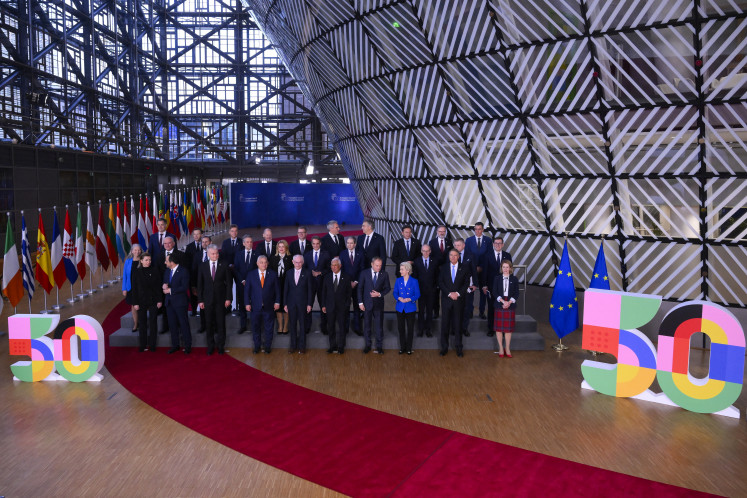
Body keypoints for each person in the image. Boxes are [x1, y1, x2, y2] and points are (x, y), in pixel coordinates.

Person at [197, 244, 233, 355]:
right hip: (207, 300)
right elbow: (200, 285)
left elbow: (229, 283)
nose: (215, 255)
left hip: (221, 300)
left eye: (217, 253)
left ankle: (221, 346)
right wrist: (200, 300)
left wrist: (228, 298)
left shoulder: (224, 265)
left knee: (221, 323)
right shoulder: (202, 266)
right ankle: (210, 346)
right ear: (208, 254)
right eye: (213, 253)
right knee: (209, 324)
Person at [244, 255, 280, 354]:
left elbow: (277, 290)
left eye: (265, 262)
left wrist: (277, 302)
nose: (264, 264)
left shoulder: (273, 274)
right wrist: (247, 303)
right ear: (257, 263)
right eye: (261, 262)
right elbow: (247, 291)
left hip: (269, 306)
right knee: (255, 327)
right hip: (255, 307)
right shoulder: (251, 274)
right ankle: (257, 346)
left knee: (269, 327)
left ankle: (268, 346)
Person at [439, 249, 469, 357]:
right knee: (445, 324)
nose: (452, 257)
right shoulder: (443, 268)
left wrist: (457, 293)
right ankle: (444, 348)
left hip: (458, 300)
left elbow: (466, 283)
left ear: (459, 256)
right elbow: (440, 282)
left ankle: (459, 348)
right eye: (451, 255)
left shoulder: (464, 268)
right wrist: (449, 293)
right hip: (447, 300)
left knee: (458, 325)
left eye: (455, 255)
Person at [358, 256, 391, 354]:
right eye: (377, 265)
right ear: (372, 264)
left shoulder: (384, 274)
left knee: (379, 327)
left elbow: (388, 288)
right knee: (367, 326)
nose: (379, 267)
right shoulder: (364, 273)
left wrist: (379, 294)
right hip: (366, 304)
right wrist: (360, 303)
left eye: (380, 265)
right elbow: (360, 289)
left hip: (378, 304)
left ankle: (379, 346)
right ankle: (368, 345)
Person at [481, 236, 512, 337]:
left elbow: (510, 271)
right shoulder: (487, 255)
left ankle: (502, 329)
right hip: (491, 287)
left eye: (499, 243)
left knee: (503, 308)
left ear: (502, 244)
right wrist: (484, 285)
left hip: (504, 287)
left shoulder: (507, 255)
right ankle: (491, 329)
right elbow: (484, 271)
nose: (498, 245)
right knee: (491, 308)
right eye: (496, 243)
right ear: (493, 244)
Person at [130, 253, 163, 352]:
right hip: (141, 301)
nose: (148, 262)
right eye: (146, 260)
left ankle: (152, 345)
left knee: (153, 323)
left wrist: (159, 300)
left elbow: (158, 287)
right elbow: (134, 289)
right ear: (141, 261)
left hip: (153, 300)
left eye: (149, 260)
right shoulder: (136, 272)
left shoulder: (155, 270)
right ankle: (143, 345)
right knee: (142, 323)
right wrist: (135, 303)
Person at [321, 257, 352, 354]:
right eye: (332, 265)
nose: (333, 267)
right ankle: (332, 346)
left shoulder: (346, 277)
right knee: (331, 327)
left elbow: (349, 293)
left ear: (340, 266)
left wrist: (347, 305)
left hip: (342, 307)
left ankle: (341, 346)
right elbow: (324, 293)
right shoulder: (327, 277)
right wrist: (323, 305)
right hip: (330, 306)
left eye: (335, 265)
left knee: (342, 327)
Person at [163, 251, 192, 354]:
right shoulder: (167, 271)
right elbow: (166, 282)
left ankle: (187, 346)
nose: (165, 262)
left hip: (180, 302)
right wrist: (164, 286)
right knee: (172, 325)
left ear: (172, 262)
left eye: (166, 261)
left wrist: (170, 290)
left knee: (183, 324)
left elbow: (184, 287)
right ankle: (175, 345)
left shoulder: (183, 271)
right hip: (169, 302)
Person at [284, 254, 313, 354]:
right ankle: (293, 346)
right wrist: (285, 304)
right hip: (291, 304)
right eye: (296, 262)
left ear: (303, 262)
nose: (298, 264)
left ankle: (302, 346)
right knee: (292, 325)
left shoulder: (308, 273)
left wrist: (309, 304)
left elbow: (310, 290)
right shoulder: (288, 273)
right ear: (293, 262)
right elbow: (286, 289)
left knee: (302, 325)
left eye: (300, 262)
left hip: (303, 304)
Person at [303, 236, 330, 334]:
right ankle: (307, 326)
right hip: (310, 284)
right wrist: (311, 272)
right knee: (308, 305)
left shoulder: (326, 254)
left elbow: (329, 268)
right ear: (311, 244)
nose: (315, 245)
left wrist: (320, 273)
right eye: (313, 243)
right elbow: (304, 269)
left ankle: (324, 326)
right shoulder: (307, 255)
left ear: (320, 244)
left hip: (322, 284)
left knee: (323, 305)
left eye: (317, 243)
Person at [492, 260, 519, 358]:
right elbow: (494, 292)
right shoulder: (497, 278)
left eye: (507, 267)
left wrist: (509, 302)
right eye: (504, 267)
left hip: (510, 305)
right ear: (501, 268)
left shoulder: (514, 279)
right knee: (499, 329)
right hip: (500, 304)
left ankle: (507, 348)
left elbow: (516, 293)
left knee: (508, 330)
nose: (505, 269)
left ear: (511, 268)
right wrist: (503, 302)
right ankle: (500, 348)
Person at [393, 262, 420, 355]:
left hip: (410, 308)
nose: (400, 271)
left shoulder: (414, 281)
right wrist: (399, 298)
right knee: (401, 328)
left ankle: (409, 348)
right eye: (400, 269)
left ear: (407, 270)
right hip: (400, 307)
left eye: (402, 269)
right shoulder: (398, 280)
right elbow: (395, 293)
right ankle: (402, 347)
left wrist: (409, 299)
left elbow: (417, 294)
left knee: (410, 328)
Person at [339, 236, 363, 336]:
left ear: (355, 244)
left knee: (357, 307)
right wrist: (349, 282)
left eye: (351, 243)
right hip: (346, 285)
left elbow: (362, 269)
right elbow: (342, 270)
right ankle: (345, 328)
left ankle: (357, 328)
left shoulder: (360, 254)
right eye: (347, 243)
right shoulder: (342, 254)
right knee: (346, 306)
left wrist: (356, 281)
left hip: (357, 285)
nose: (349, 245)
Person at [233, 235, 258, 334]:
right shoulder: (238, 254)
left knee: (254, 305)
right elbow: (236, 269)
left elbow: (258, 269)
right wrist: (242, 280)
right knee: (242, 305)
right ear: (243, 243)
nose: (249, 243)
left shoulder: (257, 254)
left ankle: (254, 326)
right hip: (241, 284)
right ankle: (243, 326)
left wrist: (251, 281)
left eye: (251, 242)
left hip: (254, 285)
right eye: (247, 242)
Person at [454, 238, 477, 338]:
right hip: (455, 287)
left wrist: (475, 284)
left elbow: (474, 271)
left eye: (458, 245)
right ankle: (455, 328)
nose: (457, 247)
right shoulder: (451, 255)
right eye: (455, 245)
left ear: (463, 245)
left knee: (467, 308)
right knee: (455, 309)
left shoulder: (470, 255)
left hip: (468, 286)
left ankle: (464, 328)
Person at [156, 235, 179, 335]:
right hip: (163, 285)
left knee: (177, 306)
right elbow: (157, 270)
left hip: (176, 286)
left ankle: (178, 326)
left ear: (173, 243)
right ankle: (165, 326)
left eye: (169, 243)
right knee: (166, 307)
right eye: (165, 243)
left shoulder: (180, 254)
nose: (167, 245)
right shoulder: (159, 255)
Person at [465, 222, 490, 319]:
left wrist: (481, 267)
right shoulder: (469, 240)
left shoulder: (487, 240)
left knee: (483, 292)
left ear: (483, 229)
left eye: (479, 229)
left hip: (484, 270)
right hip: (472, 270)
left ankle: (481, 311)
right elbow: (467, 254)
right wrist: (474, 267)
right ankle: (470, 311)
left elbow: (488, 255)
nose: (478, 231)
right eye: (476, 229)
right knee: (471, 291)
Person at [412, 244, 437, 338]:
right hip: (420, 290)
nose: (425, 253)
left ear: (430, 251)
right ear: (421, 251)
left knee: (430, 311)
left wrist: (435, 288)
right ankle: (420, 329)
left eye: (427, 251)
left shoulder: (434, 261)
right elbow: (414, 276)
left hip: (431, 290)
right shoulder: (416, 261)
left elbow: (437, 275)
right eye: (424, 251)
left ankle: (428, 330)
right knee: (421, 311)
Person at [428, 225, 452, 319]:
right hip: (436, 271)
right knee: (435, 293)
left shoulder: (449, 242)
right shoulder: (432, 242)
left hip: (446, 271)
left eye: (443, 231)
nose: (442, 233)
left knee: (446, 292)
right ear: (437, 232)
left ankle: (446, 312)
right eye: (440, 231)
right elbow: (431, 256)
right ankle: (436, 312)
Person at [270, 239, 293, 334]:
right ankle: (280, 326)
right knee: (278, 306)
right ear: (277, 248)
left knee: (286, 306)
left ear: (286, 247)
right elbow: (270, 273)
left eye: (283, 246)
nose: (281, 248)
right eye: (279, 247)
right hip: (276, 286)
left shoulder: (291, 258)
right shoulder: (273, 258)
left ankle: (286, 326)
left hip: (288, 286)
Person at [191, 234, 211, 333]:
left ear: (210, 242)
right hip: (201, 285)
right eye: (203, 242)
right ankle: (203, 326)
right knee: (202, 307)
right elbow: (194, 271)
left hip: (212, 286)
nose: (204, 243)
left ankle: (213, 326)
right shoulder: (197, 255)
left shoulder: (214, 254)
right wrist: (194, 286)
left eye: (206, 241)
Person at [122, 243, 143, 333]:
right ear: (132, 251)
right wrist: (124, 289)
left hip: (141, 288)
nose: (137, 252)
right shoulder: (128, 261)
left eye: (138, 250)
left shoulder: (143, 260)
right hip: (130, 287)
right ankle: (135, 324)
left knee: (142, 305)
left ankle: (143, 323)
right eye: (135, 250)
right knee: (133, 306)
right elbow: (125, 276)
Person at [184, 228, 203, 317]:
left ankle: (203, 311)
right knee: (193, 293)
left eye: (198, 234)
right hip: (193, 274)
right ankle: (194, 310)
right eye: (194, 234)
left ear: (201, 235)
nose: (196, 236)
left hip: (204, 273)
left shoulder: (205, 245)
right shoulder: (189, 247)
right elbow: (187, 262)